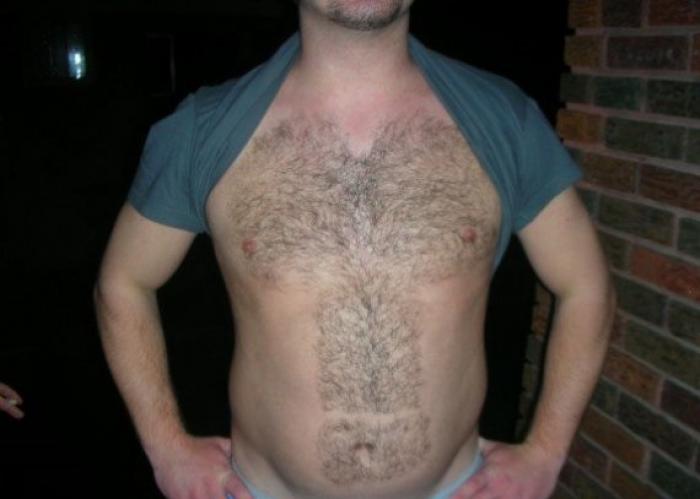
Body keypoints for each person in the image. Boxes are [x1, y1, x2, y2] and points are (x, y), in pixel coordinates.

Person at [94, 1, 615, 498]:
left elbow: (586, 286)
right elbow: (123, 284)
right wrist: (167, 448)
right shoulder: (204, 130)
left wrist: (545, 452)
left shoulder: (504, 120)